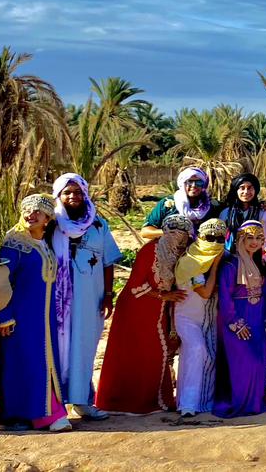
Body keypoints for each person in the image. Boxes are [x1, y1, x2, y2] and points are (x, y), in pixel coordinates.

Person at [95, 214, 192, 415]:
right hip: (136, 307)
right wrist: (165, 295)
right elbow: (135, 287)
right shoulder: (150, 251)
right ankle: (128, 401)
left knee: (157, 350)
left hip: (158, 308)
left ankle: (155, 399)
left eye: (182, 233)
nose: (177, 237)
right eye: (172, 232)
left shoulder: (180, 253)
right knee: (141, 351)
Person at [0, 194, 70, 432]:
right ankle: (27, 416)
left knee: (42, 363)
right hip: (18, 320)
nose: (30, 215)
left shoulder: (43, 244)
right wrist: (4, 317)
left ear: (47, 218)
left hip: (44, 320)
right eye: (26, 210)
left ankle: (45, 413)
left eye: (37, 212)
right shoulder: (14, 245)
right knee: (23, 365)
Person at [50, 172, 121, 420]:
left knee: (84, 347)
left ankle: (82, 401)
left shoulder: (98, 224)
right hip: (56, 300)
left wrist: (109, 295)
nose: (73, 197)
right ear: (58, 195)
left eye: (78, 192)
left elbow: (108, 262)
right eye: (67, 192)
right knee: (57, 348)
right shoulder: (50, 224)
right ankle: (55, 405)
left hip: (90, 298)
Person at [213, 220, 266, 418]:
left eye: (259, 238)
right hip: (238, 319)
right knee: (242, 363)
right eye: (250, 237)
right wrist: (235, 323)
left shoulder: (261, 263)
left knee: (259, 363)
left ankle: (256, 403)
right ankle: (240, 403)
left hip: (257, 319)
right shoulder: (231, 264)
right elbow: (224, 297)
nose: (254, 242)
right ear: (240, 238)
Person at [173, 217, 226, 417]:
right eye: (209, 237)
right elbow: (205, 292)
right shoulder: (191, 261)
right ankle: (188, 404)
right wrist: (213, 267)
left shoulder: (224, 257)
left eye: (220, 238)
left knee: (207, 357)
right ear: (200, 236)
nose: (214, 242)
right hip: (186, 317)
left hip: (208, 318)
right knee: (196, 350)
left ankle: (202, 402)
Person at [142, 167, 222, 240]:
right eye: (189, 182)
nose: (194, 186)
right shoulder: (168, 204)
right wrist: (171, 233)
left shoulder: (212, 206)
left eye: (199, 183)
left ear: (203, 185)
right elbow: (145, 232)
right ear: (182, 183)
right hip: (170, 251)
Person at [219, 173, 266, 248]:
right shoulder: (226, 213)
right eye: (242, 188)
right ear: (236, 190)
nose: (246, 192)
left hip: (258, 257)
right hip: (231, 257)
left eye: (249, 188)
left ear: (255, 190)